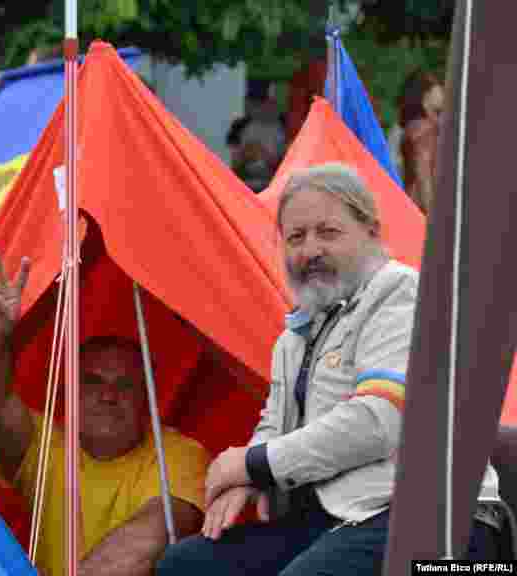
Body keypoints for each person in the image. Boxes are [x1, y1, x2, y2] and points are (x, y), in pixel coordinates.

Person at [156, 162, 504, 576]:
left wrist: (254, 464)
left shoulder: (400, 294)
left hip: (428, 517)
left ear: (373, 233)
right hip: (333, 519)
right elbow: (274, 424)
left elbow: (377, 420)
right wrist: (250, 475)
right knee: (188, 564)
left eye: (328, 232)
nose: (310, 250)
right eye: (296, 237)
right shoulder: (296, 333)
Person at [0, 250, 211, 576]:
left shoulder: (179, 457)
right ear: (71, 392)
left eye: (125, 385)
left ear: (148, 398)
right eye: (93, 382)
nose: (108, 396)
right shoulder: (44, 448)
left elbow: (140, 548)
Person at [398, 70, 444, 215]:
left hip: (410, 207)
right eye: (437, 85)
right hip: (423, 211)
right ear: (426, 94)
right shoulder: (424, 131)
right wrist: (434, 216)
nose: (442, 90)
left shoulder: (412, 128)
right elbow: (423, 175)